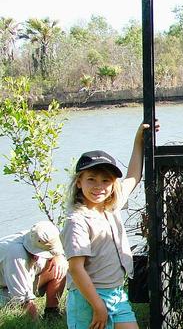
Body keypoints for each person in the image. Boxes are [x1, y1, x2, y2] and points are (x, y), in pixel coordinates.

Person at [62, 121, 158, 329]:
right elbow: (76, 269)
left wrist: (139, 139)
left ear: (113, 183)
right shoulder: (77, 219)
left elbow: (134, 175)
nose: (99, 187)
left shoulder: (111, 206)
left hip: (116, 294)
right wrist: (97, 306)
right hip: (88, 297)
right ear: (79, 182)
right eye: (91, 179)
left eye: (106, 180)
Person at [0, 220, 67, 320]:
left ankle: (52, 314)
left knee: (60, 269)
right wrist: (37, 325)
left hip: (16, 280)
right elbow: (24, 299)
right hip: (3, 289)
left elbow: (57, 251)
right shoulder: (15, 254)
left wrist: (59, 257)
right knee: (24, 301)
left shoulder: (38, 236)